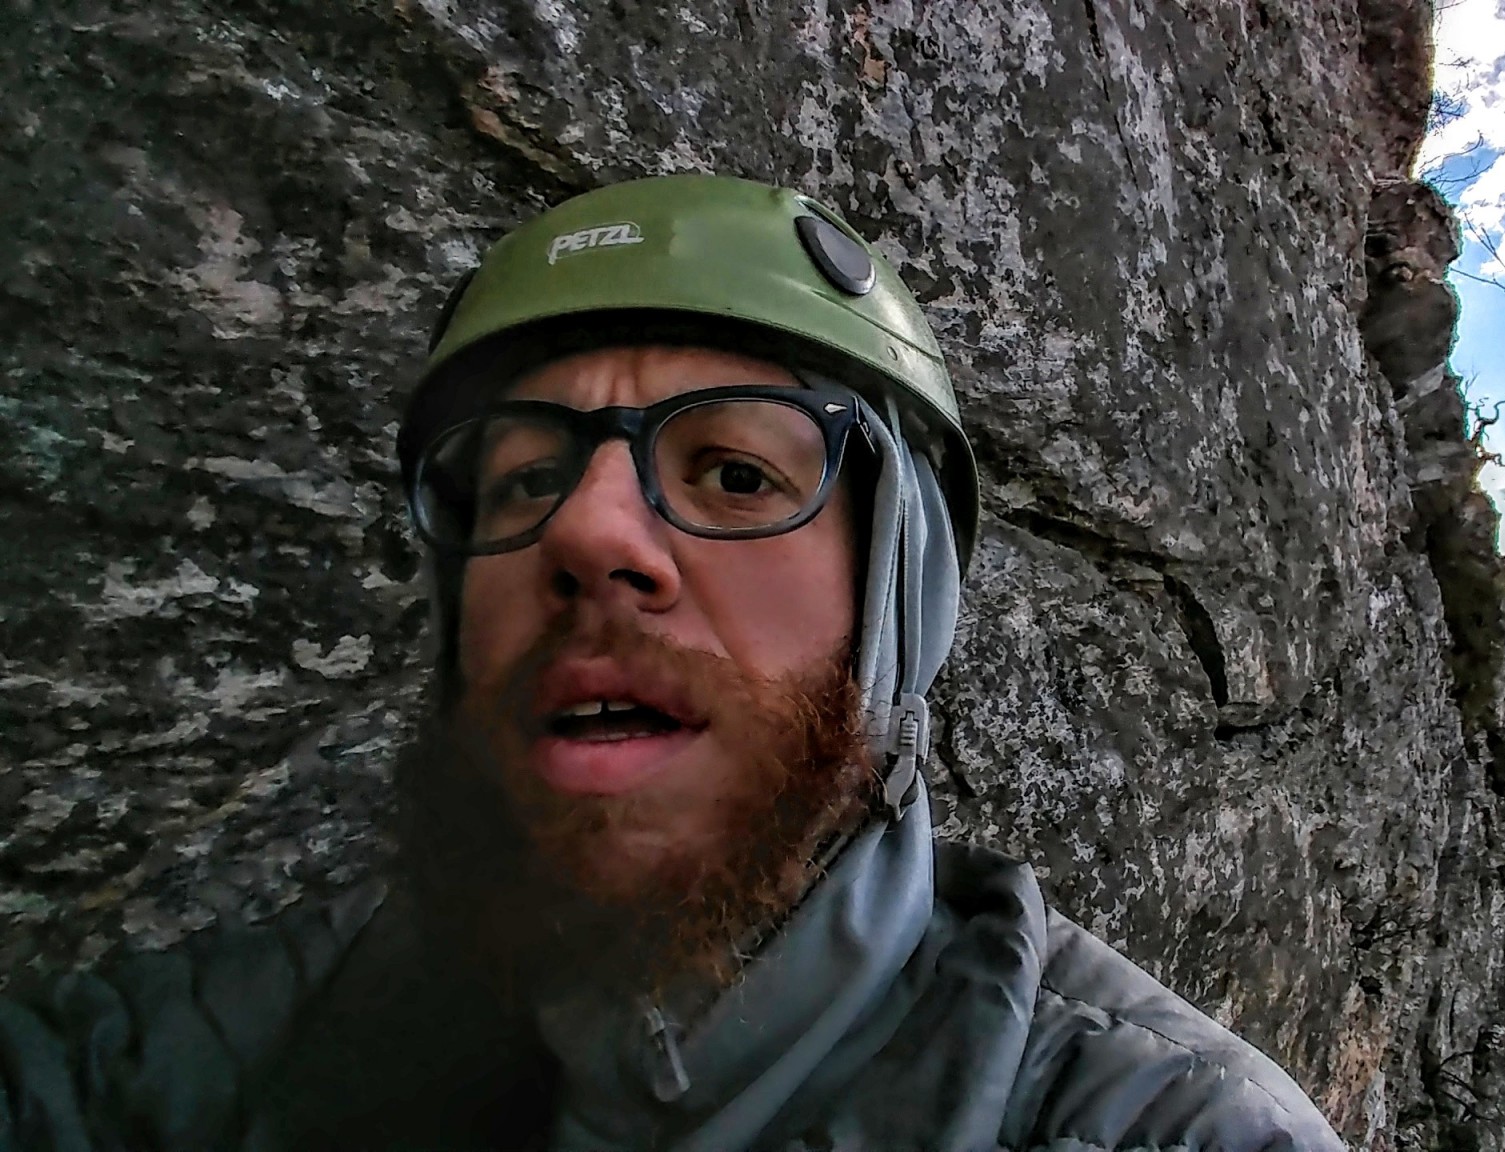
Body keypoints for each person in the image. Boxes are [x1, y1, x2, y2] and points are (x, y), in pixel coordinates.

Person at [0, 174, 1344, 1151]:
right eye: (522, 482)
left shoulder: (1152, 1123)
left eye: (739, 474)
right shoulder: (269, 1024)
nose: (585, 533)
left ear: (895, 607)